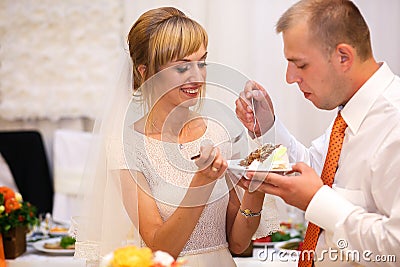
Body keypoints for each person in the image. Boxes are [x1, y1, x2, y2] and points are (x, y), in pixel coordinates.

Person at [73, 6, 279, 267]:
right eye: (182, 68)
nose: (197, 77)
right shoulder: (126, 146)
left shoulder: (219, 131)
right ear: (144, 72)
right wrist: (201, 181)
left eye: (201, 63)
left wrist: (256, 186)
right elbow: (162, 247)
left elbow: (238, 243)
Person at [235, 0, 400, 266]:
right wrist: (267, 127)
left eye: (300, 65)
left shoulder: (395, 123)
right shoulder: (350, 115)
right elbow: (317, 171)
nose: (290, 78)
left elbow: (396, 247)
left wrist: (317, 200)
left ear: (343, 57)